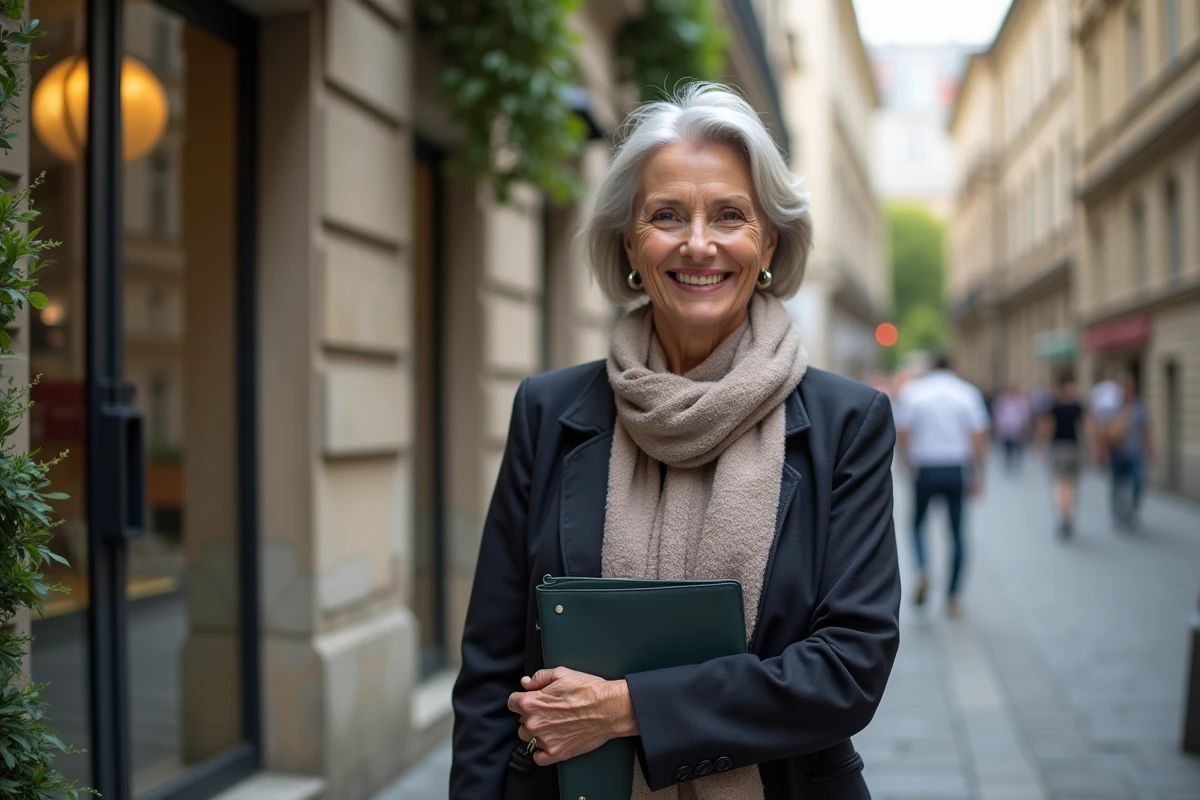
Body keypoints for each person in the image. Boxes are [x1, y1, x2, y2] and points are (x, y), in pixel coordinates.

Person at [450, 84, 901, 799]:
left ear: (769, 243)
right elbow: (491, 664)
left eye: (730, 215)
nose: (698, 243)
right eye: (667, 216)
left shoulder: (848, 424)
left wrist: (625, 710)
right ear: (631, 243)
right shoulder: (550, 409)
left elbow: (849, 669)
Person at [893, 352, 989, 617]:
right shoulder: (967, 393)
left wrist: (905, 461)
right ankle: (954, 596)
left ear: (932, 367)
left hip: (925, 468)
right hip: (956, 468)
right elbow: (978, 436)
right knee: (957, 533)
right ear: (953, 366)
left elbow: (904, 432)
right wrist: (979, 473)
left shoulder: (915, 392)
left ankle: (924, 569)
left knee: (916, 525)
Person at [1099, 374, 1154, 530]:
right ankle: (1117, 514)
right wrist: (1102, 449)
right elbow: (1104, 430)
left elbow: (1147, 428)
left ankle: (1132, 512)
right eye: (1125, 388)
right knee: (1117, 484)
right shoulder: (1112, 407)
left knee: (1137, 481)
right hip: (1116, 452)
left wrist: (1150, 448)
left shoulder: (1139, 407)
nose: (1127, 391)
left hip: (1135, 452)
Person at [1036, 371, 1087, 539]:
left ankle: (1063, 515)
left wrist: (1041, 445)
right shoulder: (1077, 406)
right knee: (1071, 485)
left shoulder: (1053, 406)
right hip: (1073, 448)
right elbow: (1086, 428)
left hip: (1058, 448)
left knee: (1060, 484)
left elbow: (1046, 427)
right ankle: (1068, 514)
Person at [993, 386, 1031, 472]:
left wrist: (1025, 425)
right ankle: (1009, 462)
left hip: (1018, 427)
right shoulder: (1003, 401)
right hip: (1007, 428)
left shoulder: (1021, 401)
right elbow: (998, 414)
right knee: (1007, 446)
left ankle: (1017, 461)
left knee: (1019, 446)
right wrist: (999, 426)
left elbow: (1025, 414)